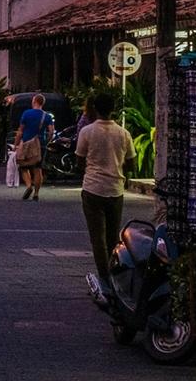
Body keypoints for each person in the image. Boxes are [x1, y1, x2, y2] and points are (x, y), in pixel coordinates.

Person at [75, 90, 134, 280]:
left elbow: (79, 160)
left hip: (93, 189)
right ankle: (115, 274)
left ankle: (104, 277)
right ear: (113, 110)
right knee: (112, 236)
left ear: (95, 109)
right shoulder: (123, 133)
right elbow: (131, 163)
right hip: (115, 190)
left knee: (97, 237)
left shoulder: (87, 132)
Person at [15, 94, 56, 200]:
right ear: (42, 103)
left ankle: (29, 186)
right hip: (40, 144)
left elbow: (20, 130)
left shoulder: (26, 113)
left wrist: (16, 143)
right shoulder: (46, 116)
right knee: (38, 169)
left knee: (23, 166)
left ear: (34, 101)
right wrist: (47, 141)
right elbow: (51, 131)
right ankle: (36, 194)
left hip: (26, 143)